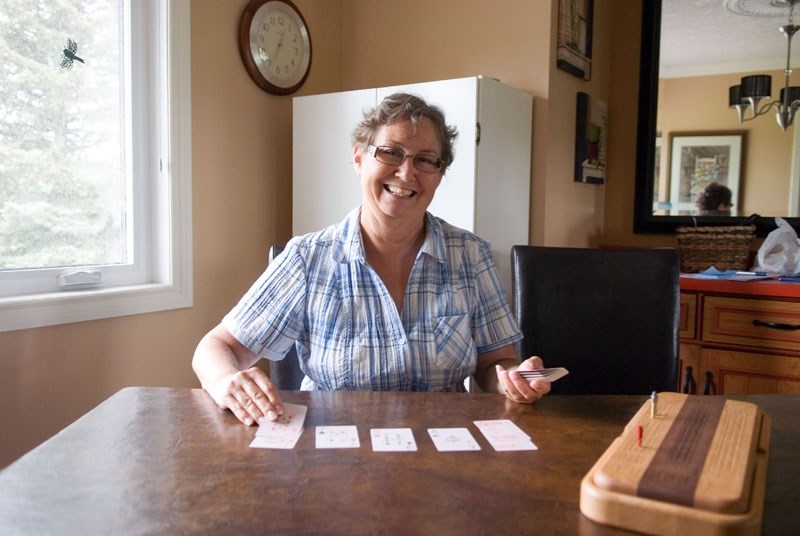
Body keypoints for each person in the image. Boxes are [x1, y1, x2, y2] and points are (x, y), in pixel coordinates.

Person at [192, 93, 551, 426]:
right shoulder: (308, 259)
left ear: (439, 176)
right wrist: (226, 381)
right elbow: (216, 347)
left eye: (425, 160)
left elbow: (494, 362)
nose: (406, 173)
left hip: (443, 453)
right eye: (390, 153)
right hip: (334, 457)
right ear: (359, 159)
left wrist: (510, 379)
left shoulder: (470, 256)